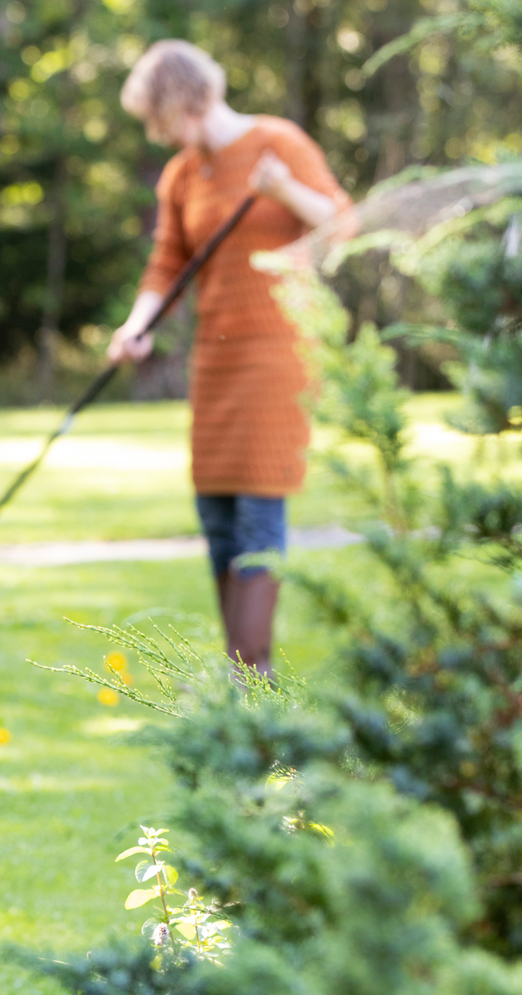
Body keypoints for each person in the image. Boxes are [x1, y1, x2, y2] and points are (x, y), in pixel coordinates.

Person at [107, 40, 349, 674]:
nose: (159, 135)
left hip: (278, 351)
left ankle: (251, 676)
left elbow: (341, 224)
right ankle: (242, 675)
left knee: (258, 507)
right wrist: (138, 326)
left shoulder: (278, 143)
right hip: (216, 358)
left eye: (158, 118)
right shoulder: (184, 173)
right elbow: (167, 263)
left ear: (184, 100)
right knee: (215, 510)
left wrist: (286, 189)